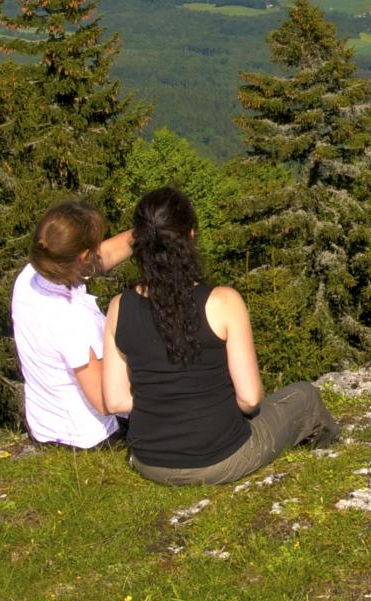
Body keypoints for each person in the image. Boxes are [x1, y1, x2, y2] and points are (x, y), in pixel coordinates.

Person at [102, 186, 338, 484]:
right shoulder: (223, 301)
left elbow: (115, 401)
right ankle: (330, 456)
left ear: (137, 242)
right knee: (304, 395)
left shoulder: (119, 306)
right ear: (190, 237)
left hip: (149, 461)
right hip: (219, 458)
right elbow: (250, 399)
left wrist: (166, 405)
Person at [11, 200, 134, 449]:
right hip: (88, 436)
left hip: (47, 423)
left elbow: (103, 257)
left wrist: (145, 231)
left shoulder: (32, 276)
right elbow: (105, 400)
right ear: (82, 256)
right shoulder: (71, 319)